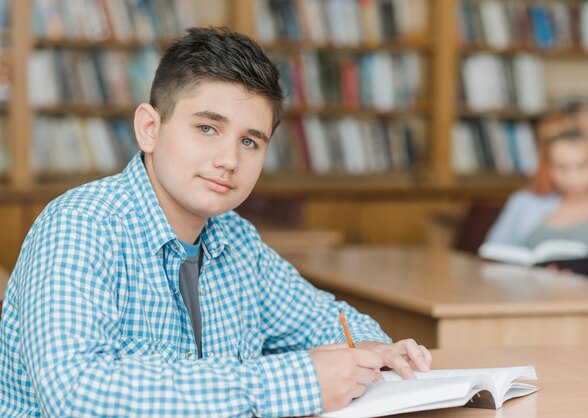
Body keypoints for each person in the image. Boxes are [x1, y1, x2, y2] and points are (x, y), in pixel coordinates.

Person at [0, 27, 431, 417]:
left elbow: (325, 319)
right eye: (207, 128)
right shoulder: (80, 226)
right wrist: (298, 381)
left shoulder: (236, 239)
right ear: (150, 128)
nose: (228, 160)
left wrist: (373, 350)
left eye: (250, 141)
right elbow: (75, 394)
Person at [483, 105, 588, 284]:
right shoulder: (524, 202)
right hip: (529, 301)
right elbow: (491, 255)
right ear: (546, 166)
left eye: (582, 166)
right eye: (561, 167)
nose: (572, 178)